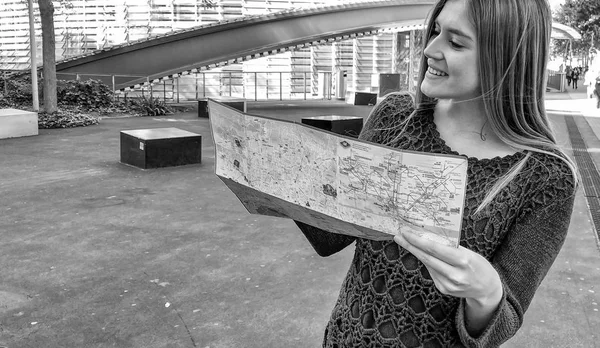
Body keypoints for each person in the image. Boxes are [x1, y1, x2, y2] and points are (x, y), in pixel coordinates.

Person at [294, 0, 578, 347]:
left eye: (455, 42)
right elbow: (332, 236)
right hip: (345, 336)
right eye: (436, 31)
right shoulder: (394, 119)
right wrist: (286, 177)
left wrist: (486, 293)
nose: (430, 49)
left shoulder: (546, 178)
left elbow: (505, 317)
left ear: (507, 58)